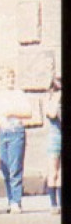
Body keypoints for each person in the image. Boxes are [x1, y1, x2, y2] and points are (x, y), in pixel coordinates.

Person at [0, 67, 34, 212]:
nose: (10, 80)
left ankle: (16, 201)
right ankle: (10, 199)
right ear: (1, 80)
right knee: (5, 167)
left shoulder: (19, 94)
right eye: (7, 77)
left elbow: (28, 113)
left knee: (15, 167)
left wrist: (11, 112)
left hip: (16, 131)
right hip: (3, 132)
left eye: (12, 77)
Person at [47, 76, 61, 213]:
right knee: (53, 171)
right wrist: (56, 99)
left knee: (61, 173)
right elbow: (51, 114)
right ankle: (53, 204)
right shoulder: (51, 101)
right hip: (55, 137)